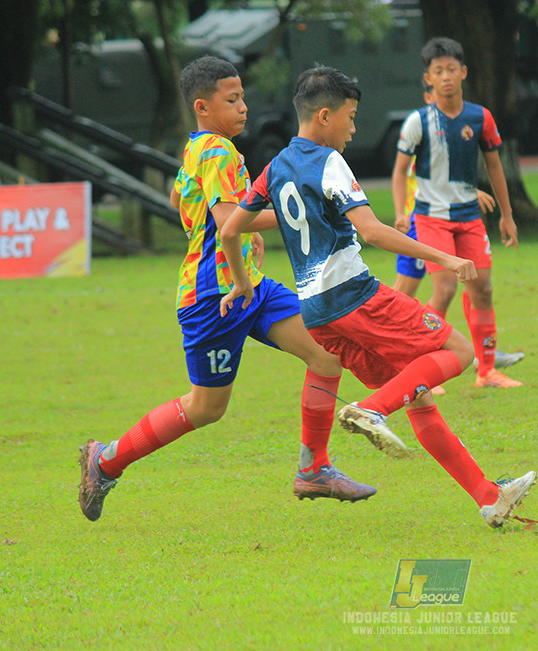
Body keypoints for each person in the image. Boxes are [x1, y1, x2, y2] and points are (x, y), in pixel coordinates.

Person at [219, 66, 536, 528]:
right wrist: (445, 260)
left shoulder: (276, 166)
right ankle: (371, 409)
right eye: (350, 116)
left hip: (316, 313)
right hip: (356, 297)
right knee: (459, 351)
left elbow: (230, 228)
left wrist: (242, 282)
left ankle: (489, 497)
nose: (354, 127)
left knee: (421, 397)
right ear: (325, 115)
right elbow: (372, 231)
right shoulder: (329, 162)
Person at [77, 56, 376, 522]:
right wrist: (304, 214)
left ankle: (314, 468)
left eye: (243, 98)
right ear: (202, 106)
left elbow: (181, 198)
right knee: (206, 407)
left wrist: (236, 230)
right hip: (214, 298)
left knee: (325, 353)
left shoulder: (199, 147)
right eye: (232, 100)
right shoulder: (216, 153)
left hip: (246, 287)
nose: (244, 108)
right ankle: (106, 459)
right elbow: (226, 221)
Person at [392, 37, 522, 389]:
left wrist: (506, 215)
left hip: (468, 217)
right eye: (438, 71)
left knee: (482, 288)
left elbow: (495, 167)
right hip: (431, 218)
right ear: (428, 79)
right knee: (446, 288)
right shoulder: (417, 122)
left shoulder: (480, 118)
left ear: (463, 72)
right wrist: (400, 213)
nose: (446, 76)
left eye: (452, 69)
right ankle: (424, 367)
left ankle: (487, 371)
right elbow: (400, 170)